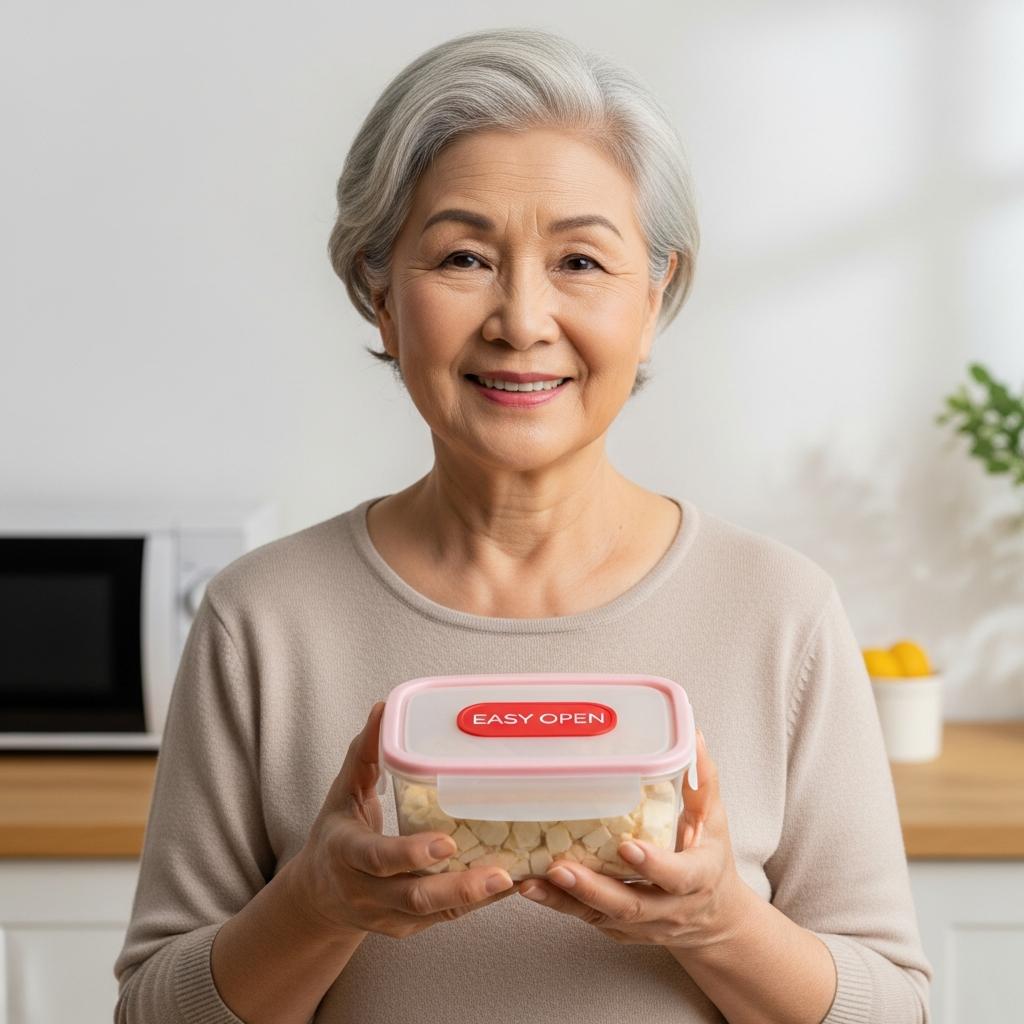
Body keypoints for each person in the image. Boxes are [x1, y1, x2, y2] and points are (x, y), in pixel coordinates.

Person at [113, 26, 933, 1024]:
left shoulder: (781, 614)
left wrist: (718, 921)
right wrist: (317, 906)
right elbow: (152, 1012)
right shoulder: (261, 620)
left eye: (580, 259)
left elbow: (895, 1009)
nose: (521, 318)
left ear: (654, 294)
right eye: (464, 255)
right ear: (380, 292)